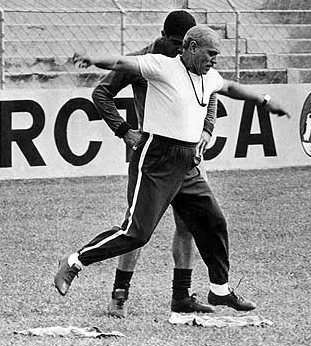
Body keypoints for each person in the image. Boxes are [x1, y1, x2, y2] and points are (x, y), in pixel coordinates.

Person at [55, 24, 290, 313]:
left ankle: (219, 290)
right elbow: (120, 62)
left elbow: (229, 87)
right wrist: (92, 57)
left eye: (216, 55)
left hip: (188, 163)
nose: (214, 60)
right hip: (157, 159)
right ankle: (74, 262)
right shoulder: (162, 66)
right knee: (136, 233)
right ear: (191, 48)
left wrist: (264, 100)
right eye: (210, 54)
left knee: (213, 222)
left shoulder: (208, 76)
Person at [92, 10, 217, 318]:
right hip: (153, 155)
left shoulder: (195, 62)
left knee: (188, 223)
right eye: (176, 43)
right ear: (164, 37)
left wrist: (206, 129)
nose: (180, 49)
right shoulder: (143, 61)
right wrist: (124, 130)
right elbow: (101, 92)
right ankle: (119, 295)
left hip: (186, 155)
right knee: (136, 226)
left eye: (185, 44)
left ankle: (181, 296)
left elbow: (211, 92)